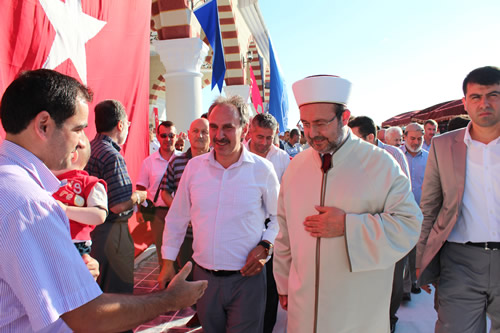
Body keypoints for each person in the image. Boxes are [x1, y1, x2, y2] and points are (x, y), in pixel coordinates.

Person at [0, 69, 206, 332]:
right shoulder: (31, 205)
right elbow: (88, 316)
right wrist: (170, 300)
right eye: (77, 129)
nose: (81, 143)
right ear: (44, 126)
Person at [273, 75, 422, 333]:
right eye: (306, 124)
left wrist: (347, 226)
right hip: (303, 304)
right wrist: (284, 284)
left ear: (344, 117)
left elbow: (409, 224)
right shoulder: (295, 166)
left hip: (357, 308)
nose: (312, 133)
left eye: (320, 123)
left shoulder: (381, 164)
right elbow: (284, 230)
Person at [158, 95, 280, 333]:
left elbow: (279, 218)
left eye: (228, 127)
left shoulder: (263, 170)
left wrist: (266, 246)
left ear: (244, 130)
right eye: (214, 127)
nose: (219, 135)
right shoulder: (194, 168)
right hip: (204, 281)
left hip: (247, 280)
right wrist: (167, 262)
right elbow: (177, 218)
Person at [417, 66, 500, 333]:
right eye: (476, 96)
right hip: (460, 263)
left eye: (493, 95)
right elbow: (430, 207)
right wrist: (422, 260)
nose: (484, 103)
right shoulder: (443, 145)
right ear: (464, 103)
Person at [348, 115, 411, 332]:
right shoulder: (350, 157)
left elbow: (404, 196)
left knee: (392, 281)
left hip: (390, 226)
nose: (351, 144)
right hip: (362, 227)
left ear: (371, 137)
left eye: (356, 139)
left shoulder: (393, 155)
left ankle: (389, 322)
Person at [85, 99, 148, 295]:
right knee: (116, 294)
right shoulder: (112, 156)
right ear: (120, 124)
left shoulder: (89, 148)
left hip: (92, 232)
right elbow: (118, 206)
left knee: (100, 291)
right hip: (112, 233)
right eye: (127, 124)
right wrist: (139, 196)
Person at [158, 117, 211, 328]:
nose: (200, 136)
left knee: (211, 277)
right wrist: (182, 211)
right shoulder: (178, 162)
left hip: (210, 233)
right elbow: (165, 191)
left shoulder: (218, 160)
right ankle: (200, 312)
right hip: (188, 235)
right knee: (190, 274)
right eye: (195, 131)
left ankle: (207, 314)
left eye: (204, 132)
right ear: (188, 135)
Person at [246, 113, 291, 333]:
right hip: (244, 230)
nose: (264, 143)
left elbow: (288, 194)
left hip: (274, 231)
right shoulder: (237, 154)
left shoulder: (282, 158)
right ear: (249, 131)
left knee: (271, 287)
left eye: (269, 138)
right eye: (260, 137)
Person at [52, 135, 108, 256]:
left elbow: (100, 215)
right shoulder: (45, 180)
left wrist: (66, 210)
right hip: (49, 241)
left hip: (75, 244)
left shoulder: (89, 183)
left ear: (73, 155)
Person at [136, 121, 180, 265]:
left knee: (181, 253)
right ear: (158, 137)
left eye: (171, 135)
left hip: (181, 213)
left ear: (177, 136)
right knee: (163, 254)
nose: (168, 139)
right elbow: (141, 188)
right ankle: (166, 286)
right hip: (158, 215)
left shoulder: (183, 160)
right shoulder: (148, 162)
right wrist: (139, 211)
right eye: (164, 135)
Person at [400, 123, 428, 301]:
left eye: (420, 139)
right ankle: (404, 288)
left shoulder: (430, 157)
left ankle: (413, 283)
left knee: (417, 250)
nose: (416, 142)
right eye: (412, 138)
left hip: (421, 212)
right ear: (405, 137)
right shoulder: (395, 155)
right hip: (401, 213)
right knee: (402, 250)